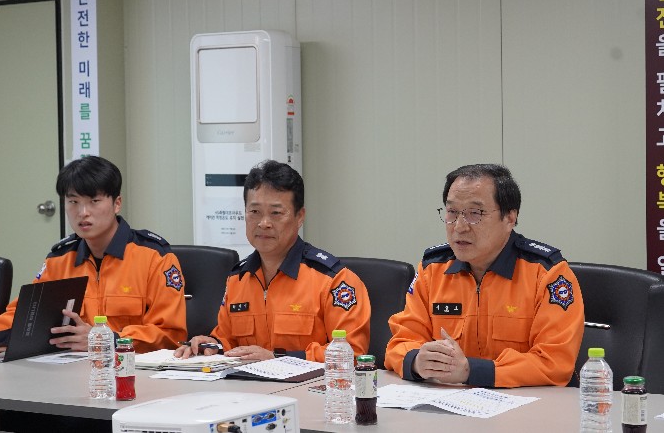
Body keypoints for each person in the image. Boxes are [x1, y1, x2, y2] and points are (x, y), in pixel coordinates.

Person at [385, 163, 584, 388]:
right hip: (449, 401)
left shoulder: (547, 274)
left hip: (528, 404)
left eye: (475, 213)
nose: (459, 227)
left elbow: (554, 363)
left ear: (510, 218)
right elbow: (400, 342)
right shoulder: (433, 270)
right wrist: (416, 362)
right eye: (452, 212)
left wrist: (471, 371)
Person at [0, 156, 187, 354]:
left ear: (117, 203)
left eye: (94, 201)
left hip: (132, 372)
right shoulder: (59, 259)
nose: (83, 213)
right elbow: (27, 317)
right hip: (71, 372)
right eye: (73, 202)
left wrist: (104, 339)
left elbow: (170, 334)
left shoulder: (155, 258)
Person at [176, 159, 370, 362]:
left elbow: (352, 353)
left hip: (311, 383)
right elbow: (228, 340)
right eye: (254, 212)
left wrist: (277, 358)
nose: (264, 223)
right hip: (246, 383)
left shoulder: (334, 280)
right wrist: (211, 344)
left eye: (276, 213)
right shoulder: (238, 279)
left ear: (300, 216)